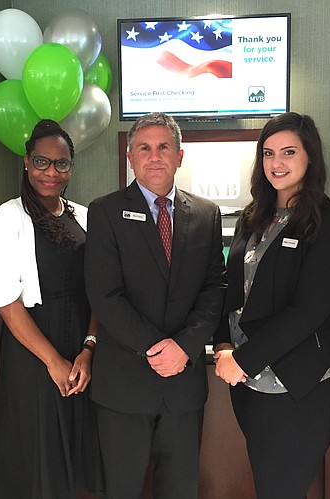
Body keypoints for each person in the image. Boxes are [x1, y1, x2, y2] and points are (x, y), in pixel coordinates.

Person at [212, 112, 330, 498]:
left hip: (299, 385)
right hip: (250, 381)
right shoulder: (252, 217)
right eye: (269, 153)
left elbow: (308, 311)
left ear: (310, 157)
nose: (277, 163)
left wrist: (242, 359)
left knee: (282, 488)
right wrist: (224, 344)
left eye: (289, 152)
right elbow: (232, 289)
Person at [85, 112, 227, 499]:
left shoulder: (205, 214)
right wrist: (156, 347)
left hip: (183, 384)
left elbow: (215, 288)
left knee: (180, 490)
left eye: (164, 146)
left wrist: (184, 346)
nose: (154, 156)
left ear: (180, 156)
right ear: (130, 157)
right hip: (124, 386)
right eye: (143, 148)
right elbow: (104, 294)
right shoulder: (104, 212)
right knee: (123, 490)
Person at [0, 120, 102, 498]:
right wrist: (54, 362)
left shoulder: (85, 216)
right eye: (41, 161)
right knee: (39, 464)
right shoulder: (7, 218)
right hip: (33, 354)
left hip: (81, 349)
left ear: (71, 167)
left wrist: (88, 349)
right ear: (26, 162)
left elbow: (101, 290)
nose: (51, 172)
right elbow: (6, 301)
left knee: (79, 460)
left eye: (61, 163)